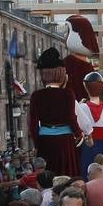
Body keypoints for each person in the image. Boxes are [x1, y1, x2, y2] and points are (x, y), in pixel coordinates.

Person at [28, 47, 83, 177]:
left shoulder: (36, 95)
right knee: (66, 175)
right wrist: (79, 133)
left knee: (47, 177)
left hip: (45, 141)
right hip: (65, 142)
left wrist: (37, 143)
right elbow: (71, 118)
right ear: (61, 73)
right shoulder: (68, 94)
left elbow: (33, 123)